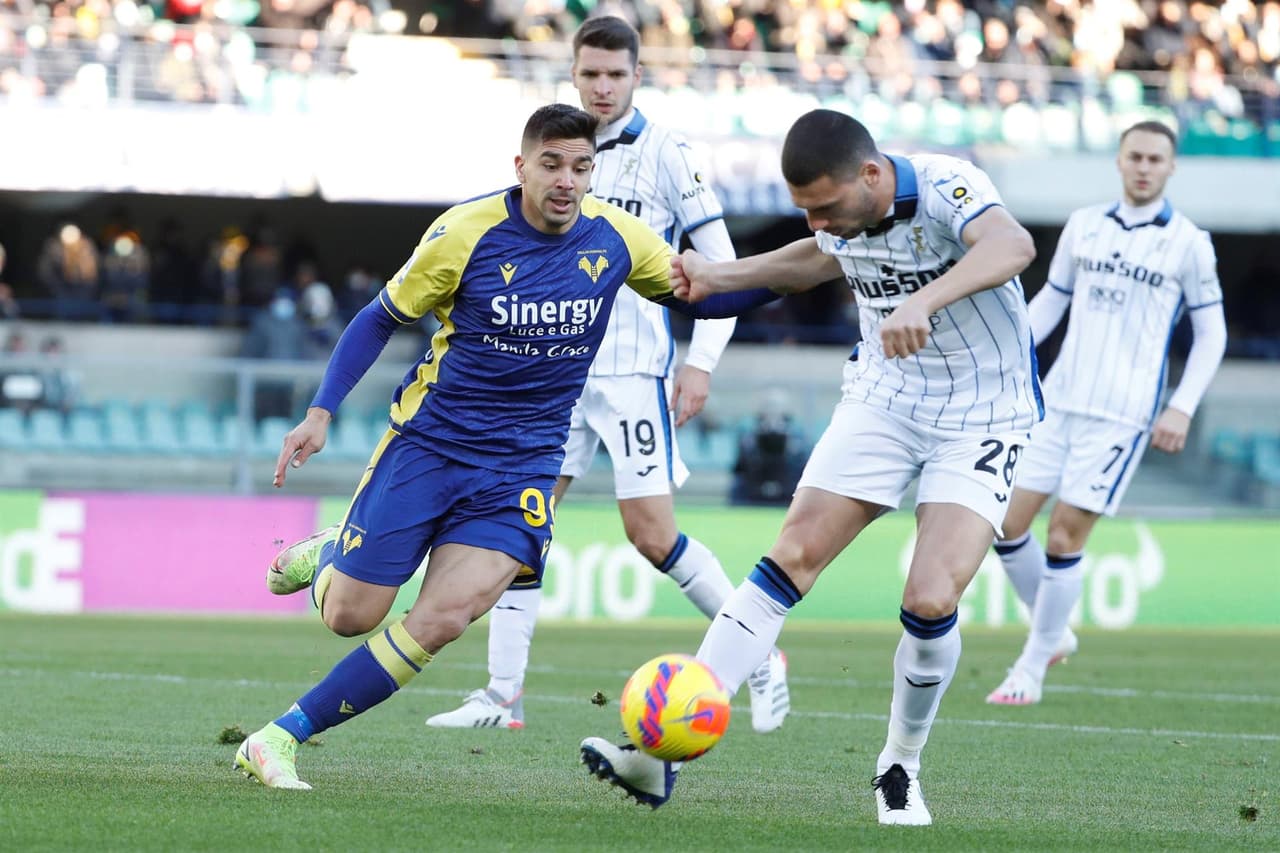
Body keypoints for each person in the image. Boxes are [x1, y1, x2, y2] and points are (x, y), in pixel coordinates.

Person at [234, 104, 758, 791]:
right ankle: (336, 549)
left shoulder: (617, 238)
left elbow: (705, 297)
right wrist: (320, 412)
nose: (567, 181)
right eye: (552, 165)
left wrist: (805, 267)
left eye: (581, 167)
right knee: (348, 615)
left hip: (523, 467)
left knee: (444, 618)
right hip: (430, 445)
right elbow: (378, 318)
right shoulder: (464, 232)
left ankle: (278, 737)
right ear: (521, 167)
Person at [580, 108, 1042, 826]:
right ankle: (659, 756)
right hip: (884, 399)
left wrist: (924, 299)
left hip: (984, 413)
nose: (818, 221)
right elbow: (810, 258)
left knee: (929, 598)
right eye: (806, 209)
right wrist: (717, 275)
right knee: (789, 556)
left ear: (871, 173)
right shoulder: (839, 221)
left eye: (825, 206)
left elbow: (1014, 244)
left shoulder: (948, 185)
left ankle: (900, 764)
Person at [423, 14, 790, 736]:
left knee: (651, 535)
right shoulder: (558, 151)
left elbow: (721, 265)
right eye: (590, 73)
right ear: (573, 74)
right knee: (522, 523)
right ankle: (502, 695)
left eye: (615, 75)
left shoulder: (667, 154)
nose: (601, 87)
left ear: (637, 77)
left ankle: (757, 653)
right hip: (553, 372)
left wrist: (700, 362)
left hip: (631, 373)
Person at [985, 121, 1227, 706]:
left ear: (1171, 167)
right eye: (1135, 157)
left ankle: (1032, 666)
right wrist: (1007, 356)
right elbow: (1052, 300)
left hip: (1123, 413)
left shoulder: (1189, 243)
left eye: (1155, 159)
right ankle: (1053, 630)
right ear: (1119, 161)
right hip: (1057, 400)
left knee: (1064, 534)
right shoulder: (1084, 224)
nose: (1144, 167)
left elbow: (1211, 333)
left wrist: (1181, 406)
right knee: (1004, 523)